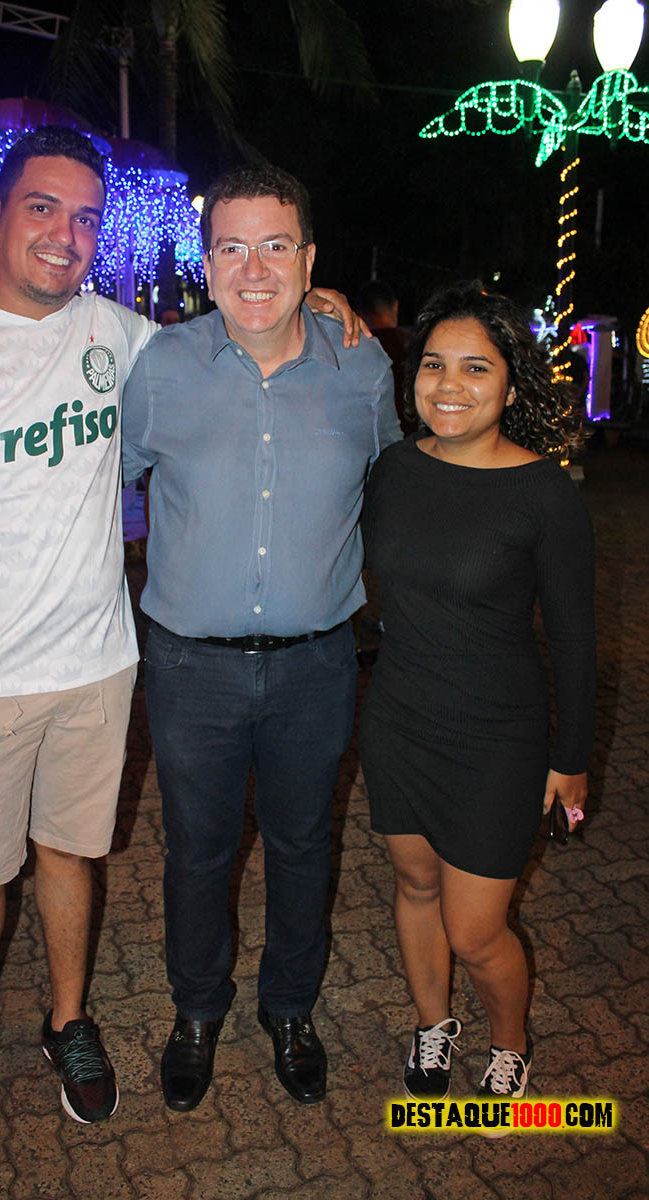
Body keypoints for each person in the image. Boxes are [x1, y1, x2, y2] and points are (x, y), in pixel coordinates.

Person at [0, 129, 363, 1144]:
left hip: (97, 668)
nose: (65, 233)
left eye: (86, 217)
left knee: (68, 858)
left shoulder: (123, 336)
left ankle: (68, 1021)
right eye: (41, 207)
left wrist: (317, 299)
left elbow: (235, 327)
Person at [121, 164, 400, 1112]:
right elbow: (98, 484)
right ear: (206, 264)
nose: (253, 269)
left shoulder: (362, 368)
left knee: (302, 846)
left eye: (275, 246)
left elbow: (396, 492)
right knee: (196, 852)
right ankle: (197, 1010)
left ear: (309, 260)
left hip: (318, 664)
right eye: (231, 248)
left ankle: (290, 1010)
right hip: (188, 667)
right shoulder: (163, 366)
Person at [358, 282, 595, 1112]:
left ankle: (509, 1041)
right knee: (414, 885)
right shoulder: (393, 469)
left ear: (510, 385)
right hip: (398, 721)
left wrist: (571, 759)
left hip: (497, 738)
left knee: (476, 927)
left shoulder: (544, 493)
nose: (449, 385)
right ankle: (433, 1024)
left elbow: (574, 639)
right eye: (433, 365)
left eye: (475, 367)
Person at [356, 279, 413, 434]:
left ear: (359, 314)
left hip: (374, 437)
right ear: (396, 306)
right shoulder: (414, 346)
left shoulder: (356, 351)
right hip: (412, 436)